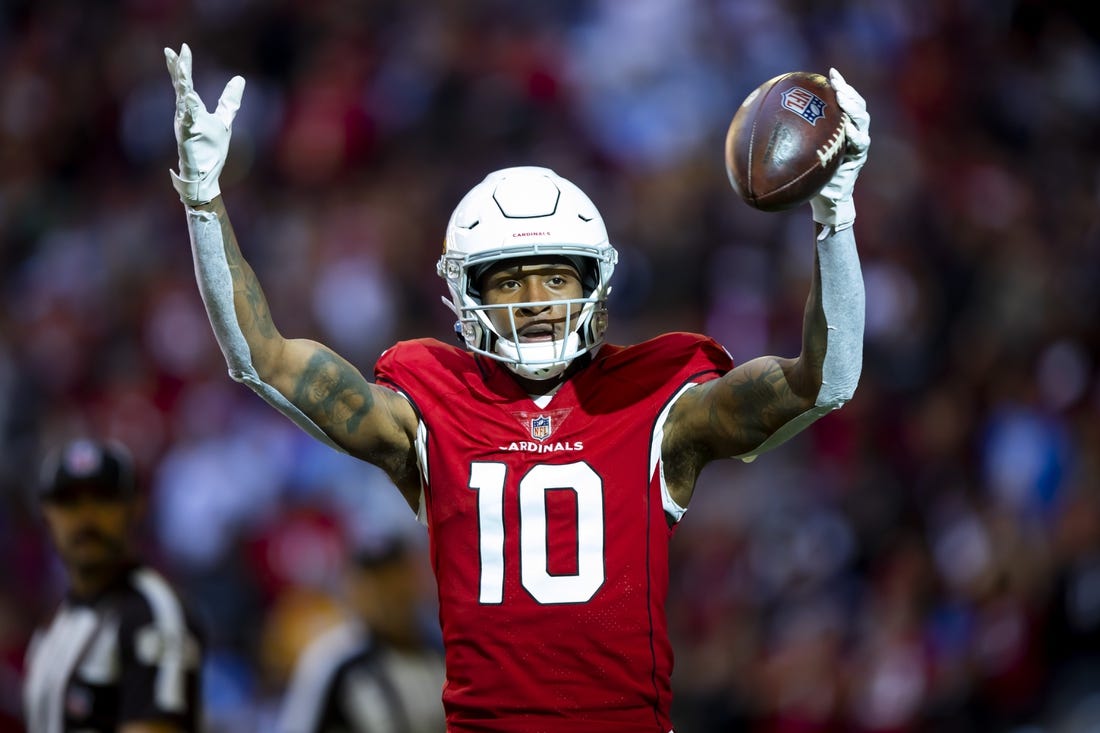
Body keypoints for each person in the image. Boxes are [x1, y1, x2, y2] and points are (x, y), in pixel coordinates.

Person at [165, 41, 869, 732]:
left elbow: (824, 384)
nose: (534, 299)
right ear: (467, 292)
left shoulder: (657, 401)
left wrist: (834, 220)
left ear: (594, 283)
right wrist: (205, 203)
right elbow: (265, 360)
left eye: (557, 277)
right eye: (508, 280)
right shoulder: (430, 402)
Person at [22, 438, 205, 733]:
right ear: (46, 514)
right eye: (69, 501)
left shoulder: (152, 615)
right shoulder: (58, 622)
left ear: (136, 507)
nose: (86, 516)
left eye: (103, 498)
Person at [278, 535, 446, 733]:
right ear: (354, 592)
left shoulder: (440, 651)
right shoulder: (333, 661)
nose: (387, 595)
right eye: (375, 585)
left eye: (394, 579)